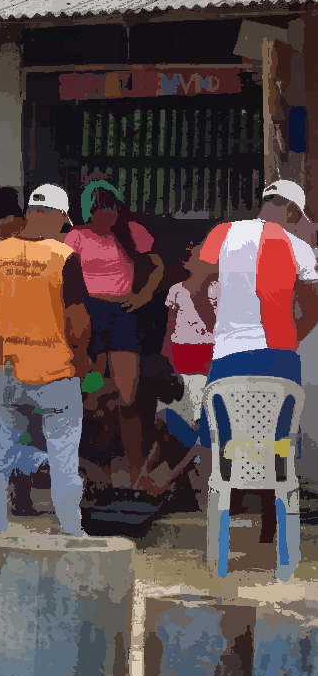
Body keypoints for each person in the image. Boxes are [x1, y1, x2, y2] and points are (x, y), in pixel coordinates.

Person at [0, 184, 91, 536]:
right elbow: (78, 321)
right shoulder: (62, 257)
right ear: (52, 215)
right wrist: (80, 355)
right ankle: (71, 528)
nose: (63, 229)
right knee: (64, 456)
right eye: (62, 221)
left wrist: (4, 348)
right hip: (57, 372)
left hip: (10, 371)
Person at [63, 178, 164, 492]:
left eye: (111, 211)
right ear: (89, 212)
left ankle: (136, 471)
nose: (107, 218)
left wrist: (143, 295)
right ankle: (96, 469)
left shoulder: (131, 232)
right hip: (89, 313)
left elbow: (157, 265)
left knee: (128, 398)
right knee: (91, 396)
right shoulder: (77, 235)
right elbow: (63, 277)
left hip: (122, 314)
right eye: (100, 212)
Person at [199, 180, 318, 385]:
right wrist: (291, 340)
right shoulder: (301, 248)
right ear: (291, 211)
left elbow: (196, 288)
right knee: (275, 416)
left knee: (223, 415)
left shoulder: (221, 233)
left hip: (228, 353)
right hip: (280, 356)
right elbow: (312, 308)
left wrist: (218, 329)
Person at [160, 243, 219, 441]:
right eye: (195, 258)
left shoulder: (218, 288)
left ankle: (204, 444)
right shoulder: (176, 290)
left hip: (210, 347)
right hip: (181, 348)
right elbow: (170, 322)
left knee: (208, 396)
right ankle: (190, 444)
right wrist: (166, 352)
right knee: (186, 397)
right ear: (186, 264)